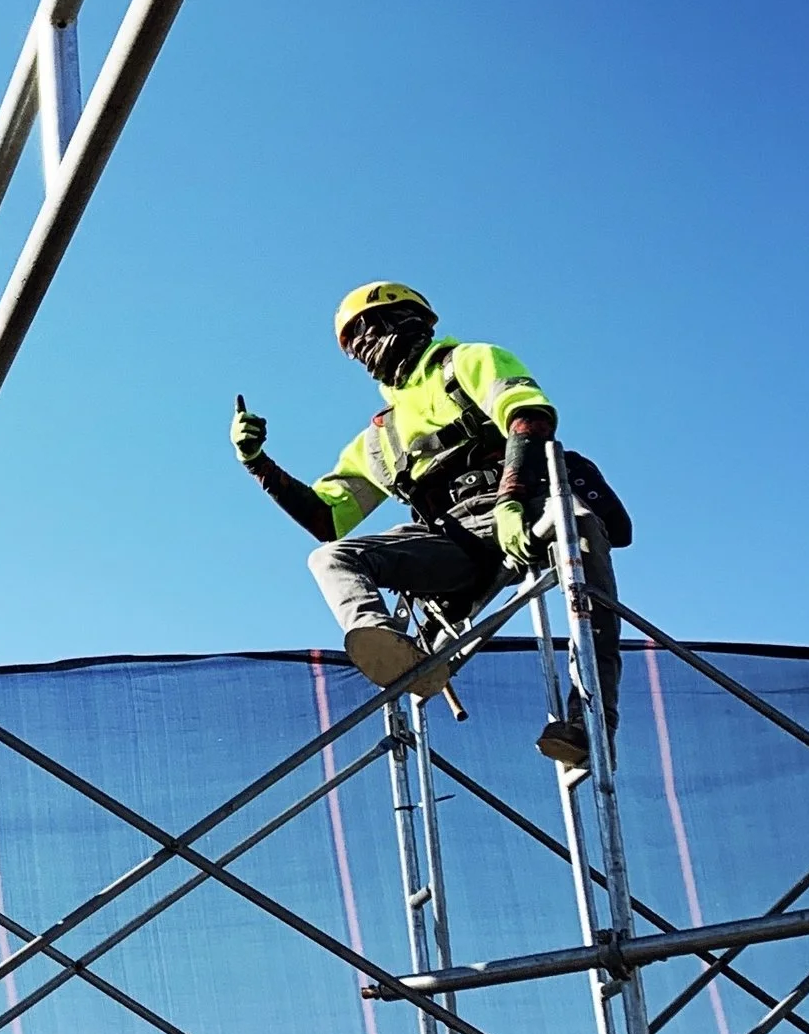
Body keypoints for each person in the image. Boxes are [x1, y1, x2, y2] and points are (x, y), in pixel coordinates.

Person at [230, 282, 621, 766]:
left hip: (522, 501)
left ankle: (589, 723)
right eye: (353, 344)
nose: (364, 348)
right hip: (452, 538)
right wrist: (257, 462)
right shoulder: (379, 439)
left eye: (366, 330)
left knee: (580, 529)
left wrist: (512, 501)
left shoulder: (468, 362)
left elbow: (529, 418)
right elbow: (327, 518)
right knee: (331, 559)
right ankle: (392, 648)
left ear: (405, 319)